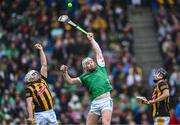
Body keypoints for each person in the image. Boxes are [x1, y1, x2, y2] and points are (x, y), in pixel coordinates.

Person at [60, 33, 113, 125]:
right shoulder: (84, 77)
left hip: (106, 101)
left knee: (105, 123)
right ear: (85, 68)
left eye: (91, 61)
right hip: (95, 103)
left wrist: (91, 40)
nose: (91, 63)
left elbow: (98, 52)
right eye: (88, 63)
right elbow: (70, 81)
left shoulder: (100, 67)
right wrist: (64, 73)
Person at [24, 44, 58, 125]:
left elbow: (44, 64)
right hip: (39, 114)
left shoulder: (42, 80)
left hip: (51, 111)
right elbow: (29, 103)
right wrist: (30, 116)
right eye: (34, 74)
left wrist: (41, 50)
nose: (36, 73)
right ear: (30, 79)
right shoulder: (29, 88)